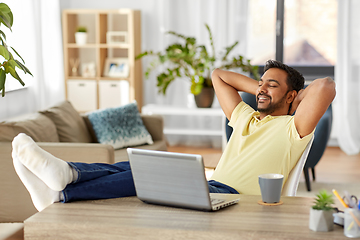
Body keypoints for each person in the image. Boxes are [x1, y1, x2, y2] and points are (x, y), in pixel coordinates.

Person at [12, 60, 336, 211]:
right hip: (213, 188)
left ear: (293, 97)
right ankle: (66, 180)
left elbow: (326, 87)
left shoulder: (294, 128)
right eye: (260, 82)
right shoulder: (246, 116)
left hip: (234, 197)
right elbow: (218, 76)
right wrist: (265, 90)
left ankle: (64, 186)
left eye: (272, 84)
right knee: (136, 165)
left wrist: (285, 95)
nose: (261, 88)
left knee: (149, 173)